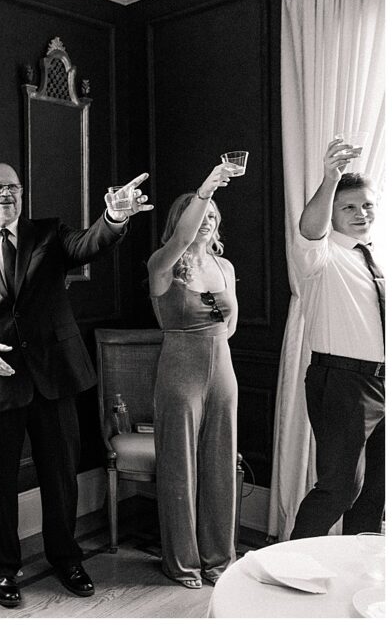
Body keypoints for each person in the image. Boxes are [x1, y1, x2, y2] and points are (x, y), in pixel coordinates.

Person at [0, 163, 152, 606]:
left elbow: (90, 244)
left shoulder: (50, 235)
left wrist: (114, 218)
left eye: (13, 186)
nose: (5, 194)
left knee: (60, 477)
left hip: (55, 377)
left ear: (21, 193)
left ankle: (66, 557)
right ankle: (0, 569)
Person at [146, 164, 238, 589]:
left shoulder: (225, 266)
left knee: (220, 464)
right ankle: (181, 562)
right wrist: (205, 189)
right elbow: (183, 239)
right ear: (183, 220)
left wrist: (218, 332)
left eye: (213, 216)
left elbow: (231, 323)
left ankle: (219, 558)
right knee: (179, 466)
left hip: (222, 367)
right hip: (180, 367)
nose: (208, 222)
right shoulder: (162, 263)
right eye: (201, 214)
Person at [290, 138, 384, 539]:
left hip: (381, 381)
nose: (361, 214)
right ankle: (285, 572)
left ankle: (356, 581)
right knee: (341, 487)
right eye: (349, 207)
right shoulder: (322, 254)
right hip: (341, 382)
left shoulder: (378, 254)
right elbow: (308, 228)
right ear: (333, 213)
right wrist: (329, 179)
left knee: (375, 492)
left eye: (366, 205)